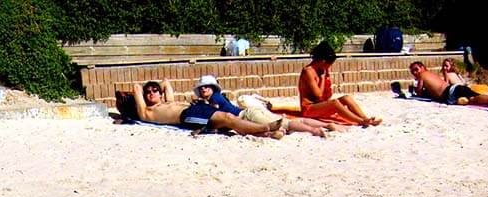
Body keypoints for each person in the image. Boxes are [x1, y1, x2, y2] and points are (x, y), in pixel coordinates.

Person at [192, 74, 342, 138]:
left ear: (213, 88)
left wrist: (200, 103)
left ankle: (316, 131)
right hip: (246, 116)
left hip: (247, 115)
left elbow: (215, 110)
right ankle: (326, 125)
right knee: (283, 123)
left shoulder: (215, 97)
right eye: (202, 88)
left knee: (287, 123)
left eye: (207, 87)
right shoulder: (215, 97)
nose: (204, 89)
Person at [132, 78, 282, 137]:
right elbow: (136, 87)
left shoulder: (167, 101)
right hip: (187, 115)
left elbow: (165, 82)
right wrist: (144, 90)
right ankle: (265, 128)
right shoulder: (147, 112)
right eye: (148, 92)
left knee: (229, 121)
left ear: (160, 92)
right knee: (227, 118)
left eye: (155, 90)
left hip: (197, 109)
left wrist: (156, 86)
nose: (151, 93)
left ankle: (268, 134)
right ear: (144, 97)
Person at [298, 41, 382, 126]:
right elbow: (318, 96)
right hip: (309, 109)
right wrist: (323, 77)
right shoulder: (308, 71)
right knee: (334, 103)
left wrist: (325, 78)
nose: (329, 67)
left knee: (346, 98)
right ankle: (360, 121)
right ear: (323, 61)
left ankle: (365, 118)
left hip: (319, 105)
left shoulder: (320, 70)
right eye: (329, 65)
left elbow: (326, 96)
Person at [409, 61, 488, 111]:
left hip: (450, 93)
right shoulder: (431, 74)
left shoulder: (422, 76)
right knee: (475, 96)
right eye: (413, 71)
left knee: (474, 99)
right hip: (455, 88)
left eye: (416, 69)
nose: (415, 72)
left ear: (422, 67)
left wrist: (416, 88)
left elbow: (419, 93)